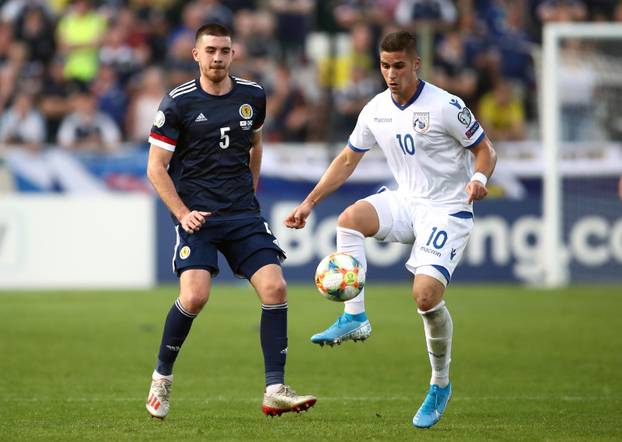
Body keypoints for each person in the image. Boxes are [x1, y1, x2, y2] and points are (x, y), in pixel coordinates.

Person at [284, 30, 496, 429]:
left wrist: (480, 177)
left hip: (447, 208)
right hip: (407, 201)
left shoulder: (446, 106)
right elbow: (348, 160)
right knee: (348, 220)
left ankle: (440, 383)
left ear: (416, 64)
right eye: (385, 65)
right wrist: (310, 202)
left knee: (425, 297)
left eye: (399, 65)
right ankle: (355, 317)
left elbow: (486, 149)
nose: (391, 73)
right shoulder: (375, 109)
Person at [145, 23, 316, 420]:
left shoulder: (253, 96)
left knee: (275, 288)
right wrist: (183, 213)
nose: (217, 58)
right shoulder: (177, 103)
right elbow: (156, 168)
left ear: (233, 54)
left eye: (224, 50)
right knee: (195, 296)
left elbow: (255, 144)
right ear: (196, 55)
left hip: (242, 213)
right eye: (210, 51)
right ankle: (162, 377)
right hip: (199, 218)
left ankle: (275, 388)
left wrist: (250, 190)